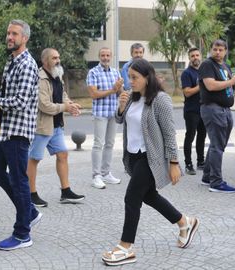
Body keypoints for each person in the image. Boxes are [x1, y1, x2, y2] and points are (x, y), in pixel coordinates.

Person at [101, 58, 199, 266]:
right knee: (149, 196)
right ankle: (185, 222)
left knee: (131, 198)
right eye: (129, 77)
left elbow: (170, 134)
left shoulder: (160, 100)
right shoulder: (131, 98)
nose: (131, 81)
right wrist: (120, 107)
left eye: (135, 77)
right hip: (134, 156)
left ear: (147, 77)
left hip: (150, 156)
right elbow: (120, 120)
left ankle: (126, 247)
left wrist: (174, 163)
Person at [0, 19, 41, 250]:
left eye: (14, 34)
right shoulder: (11, 61)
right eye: (8, 33)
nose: (10, 37)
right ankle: (31, 211)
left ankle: (23, 234)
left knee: (19, 182)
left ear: (24, 38)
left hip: (18, 132)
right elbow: (5, 90)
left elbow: (20, 101)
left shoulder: (27, 64)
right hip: (4, 131)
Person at [27, 48, 85, 207]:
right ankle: (31, 194)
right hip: (42, 126)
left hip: (56, 125)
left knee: (63, 155)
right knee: (34, 159)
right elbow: (44, 105)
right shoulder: (39, 79)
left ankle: (66, 192)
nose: (58, 60)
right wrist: (65, 108)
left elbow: (62, 95)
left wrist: (71, 104)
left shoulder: (57, 74)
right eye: (54, 58)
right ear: (45, 61)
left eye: (58, 57)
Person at [199, 39, 235, 193]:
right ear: (211, 50)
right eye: (215, 49)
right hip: (213, 109)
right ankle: (216, 182)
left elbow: (228, 84)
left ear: (226, 51)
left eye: (221, 49)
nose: (218, 52)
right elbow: (211, 85)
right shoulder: (207, 64)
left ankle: (207, 176)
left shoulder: (225, 66)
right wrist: (233, 80)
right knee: (217, 146)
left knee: (217, 144)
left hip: (225, 109)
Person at [86, 47, 124, 189]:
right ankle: (96, 176)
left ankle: (106, 173)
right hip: (100, 113)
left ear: (111, 56)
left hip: (113, 113)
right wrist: (113, 89)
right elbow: (94, 94)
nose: (105, 58)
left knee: (110, 144)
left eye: (108, 55)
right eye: (103, 55)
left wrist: (120, 89)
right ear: (99, 56)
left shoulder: (115, 72)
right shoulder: (93, 72)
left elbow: (120, 92)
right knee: (98, 144)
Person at [181, 47, 206, 175]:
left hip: (205, 110)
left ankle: (201, 162)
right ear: (189, 58)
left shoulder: (204, 71)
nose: (195, 57)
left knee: (202, 137)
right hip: (192, 111)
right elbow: (187, 92)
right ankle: (188, 164)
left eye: (197, 55)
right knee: (190, 136)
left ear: (200, 56)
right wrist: (201, 85)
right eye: (192, 56)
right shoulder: (187, 73)